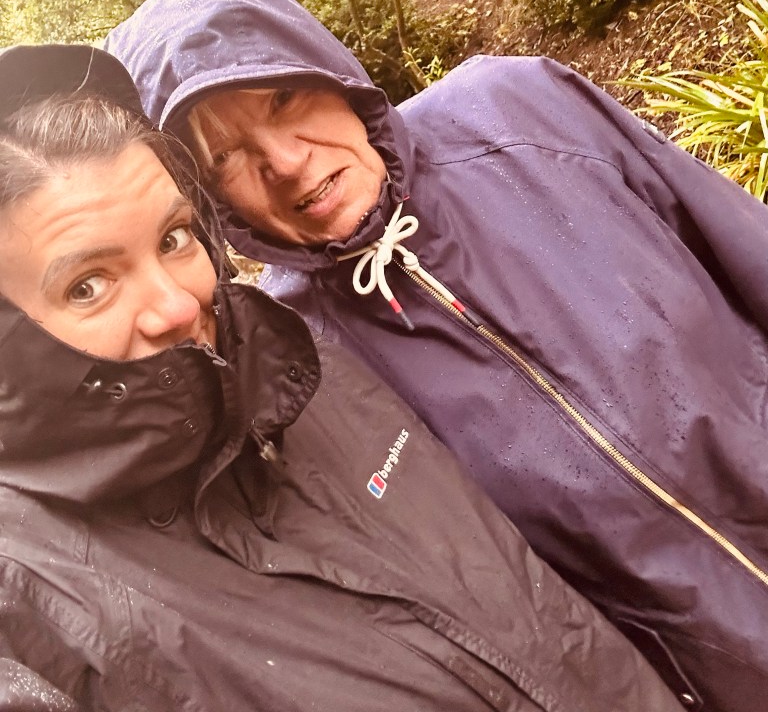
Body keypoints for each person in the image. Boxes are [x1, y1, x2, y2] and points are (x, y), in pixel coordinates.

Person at [108, 0, 768, 712]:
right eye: (224, 157)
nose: (284, 162)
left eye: (284, 97)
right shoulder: (298, 364)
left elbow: (745, 250)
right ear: (206, 199)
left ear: (328, 72)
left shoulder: (519, 112)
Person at [0, 42, 680, 712]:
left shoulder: (309, 372)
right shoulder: (26, 603)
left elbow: (535, 600)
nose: (178, 306)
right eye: (88, 286)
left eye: (174, 238)